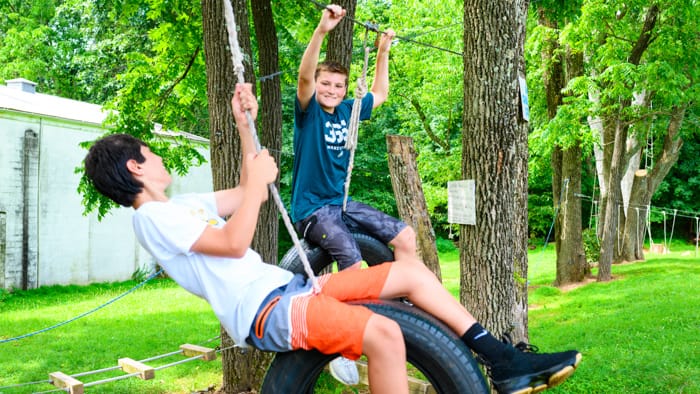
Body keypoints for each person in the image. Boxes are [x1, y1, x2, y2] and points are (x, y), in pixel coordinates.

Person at [83, 83, 581, 394]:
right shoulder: (150, 219)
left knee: (409, 271)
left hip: (288, 289)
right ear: (135, 166)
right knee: (384, 336)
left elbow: (243, 188)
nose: (160, 159)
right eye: (152, 153)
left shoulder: (180, 207)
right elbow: (235, 241)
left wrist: (244, 127)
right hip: (266, 311)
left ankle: (503, 361)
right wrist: (257, 186)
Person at [292, 6, 413, 382]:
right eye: (326, 84)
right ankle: (343, 345)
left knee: (405, 236)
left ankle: (406, 308)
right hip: (313, 209)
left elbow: (381, 92)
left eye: (338, 86)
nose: (331, 90)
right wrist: (322, 31)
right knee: (352, 260)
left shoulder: (348, 110)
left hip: (341, 203)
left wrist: (382, 50)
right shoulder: (309, 112)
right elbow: (303, 75)